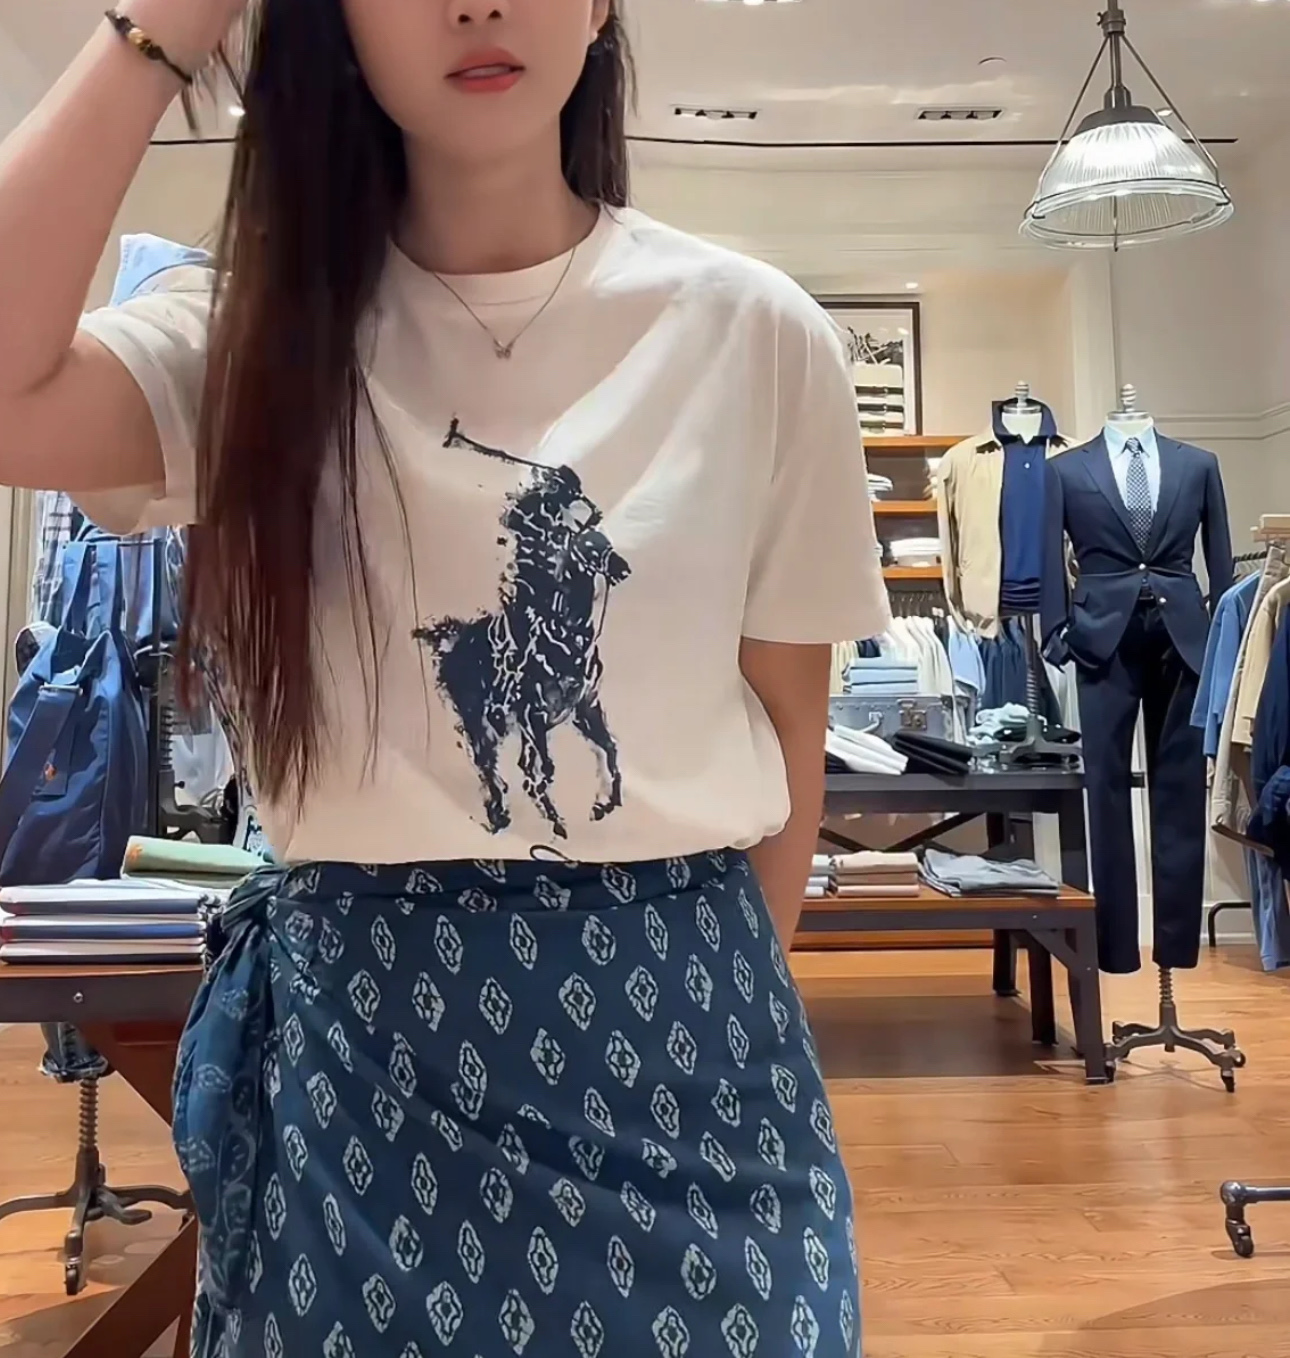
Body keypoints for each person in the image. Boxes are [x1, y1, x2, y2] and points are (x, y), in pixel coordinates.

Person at [0, 0, 888, 1353]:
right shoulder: (252, 334)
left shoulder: (755, 331)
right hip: (368, 1074)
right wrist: (162, 27)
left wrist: (720, 1026)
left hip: (692, 1055)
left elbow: (785, 735)